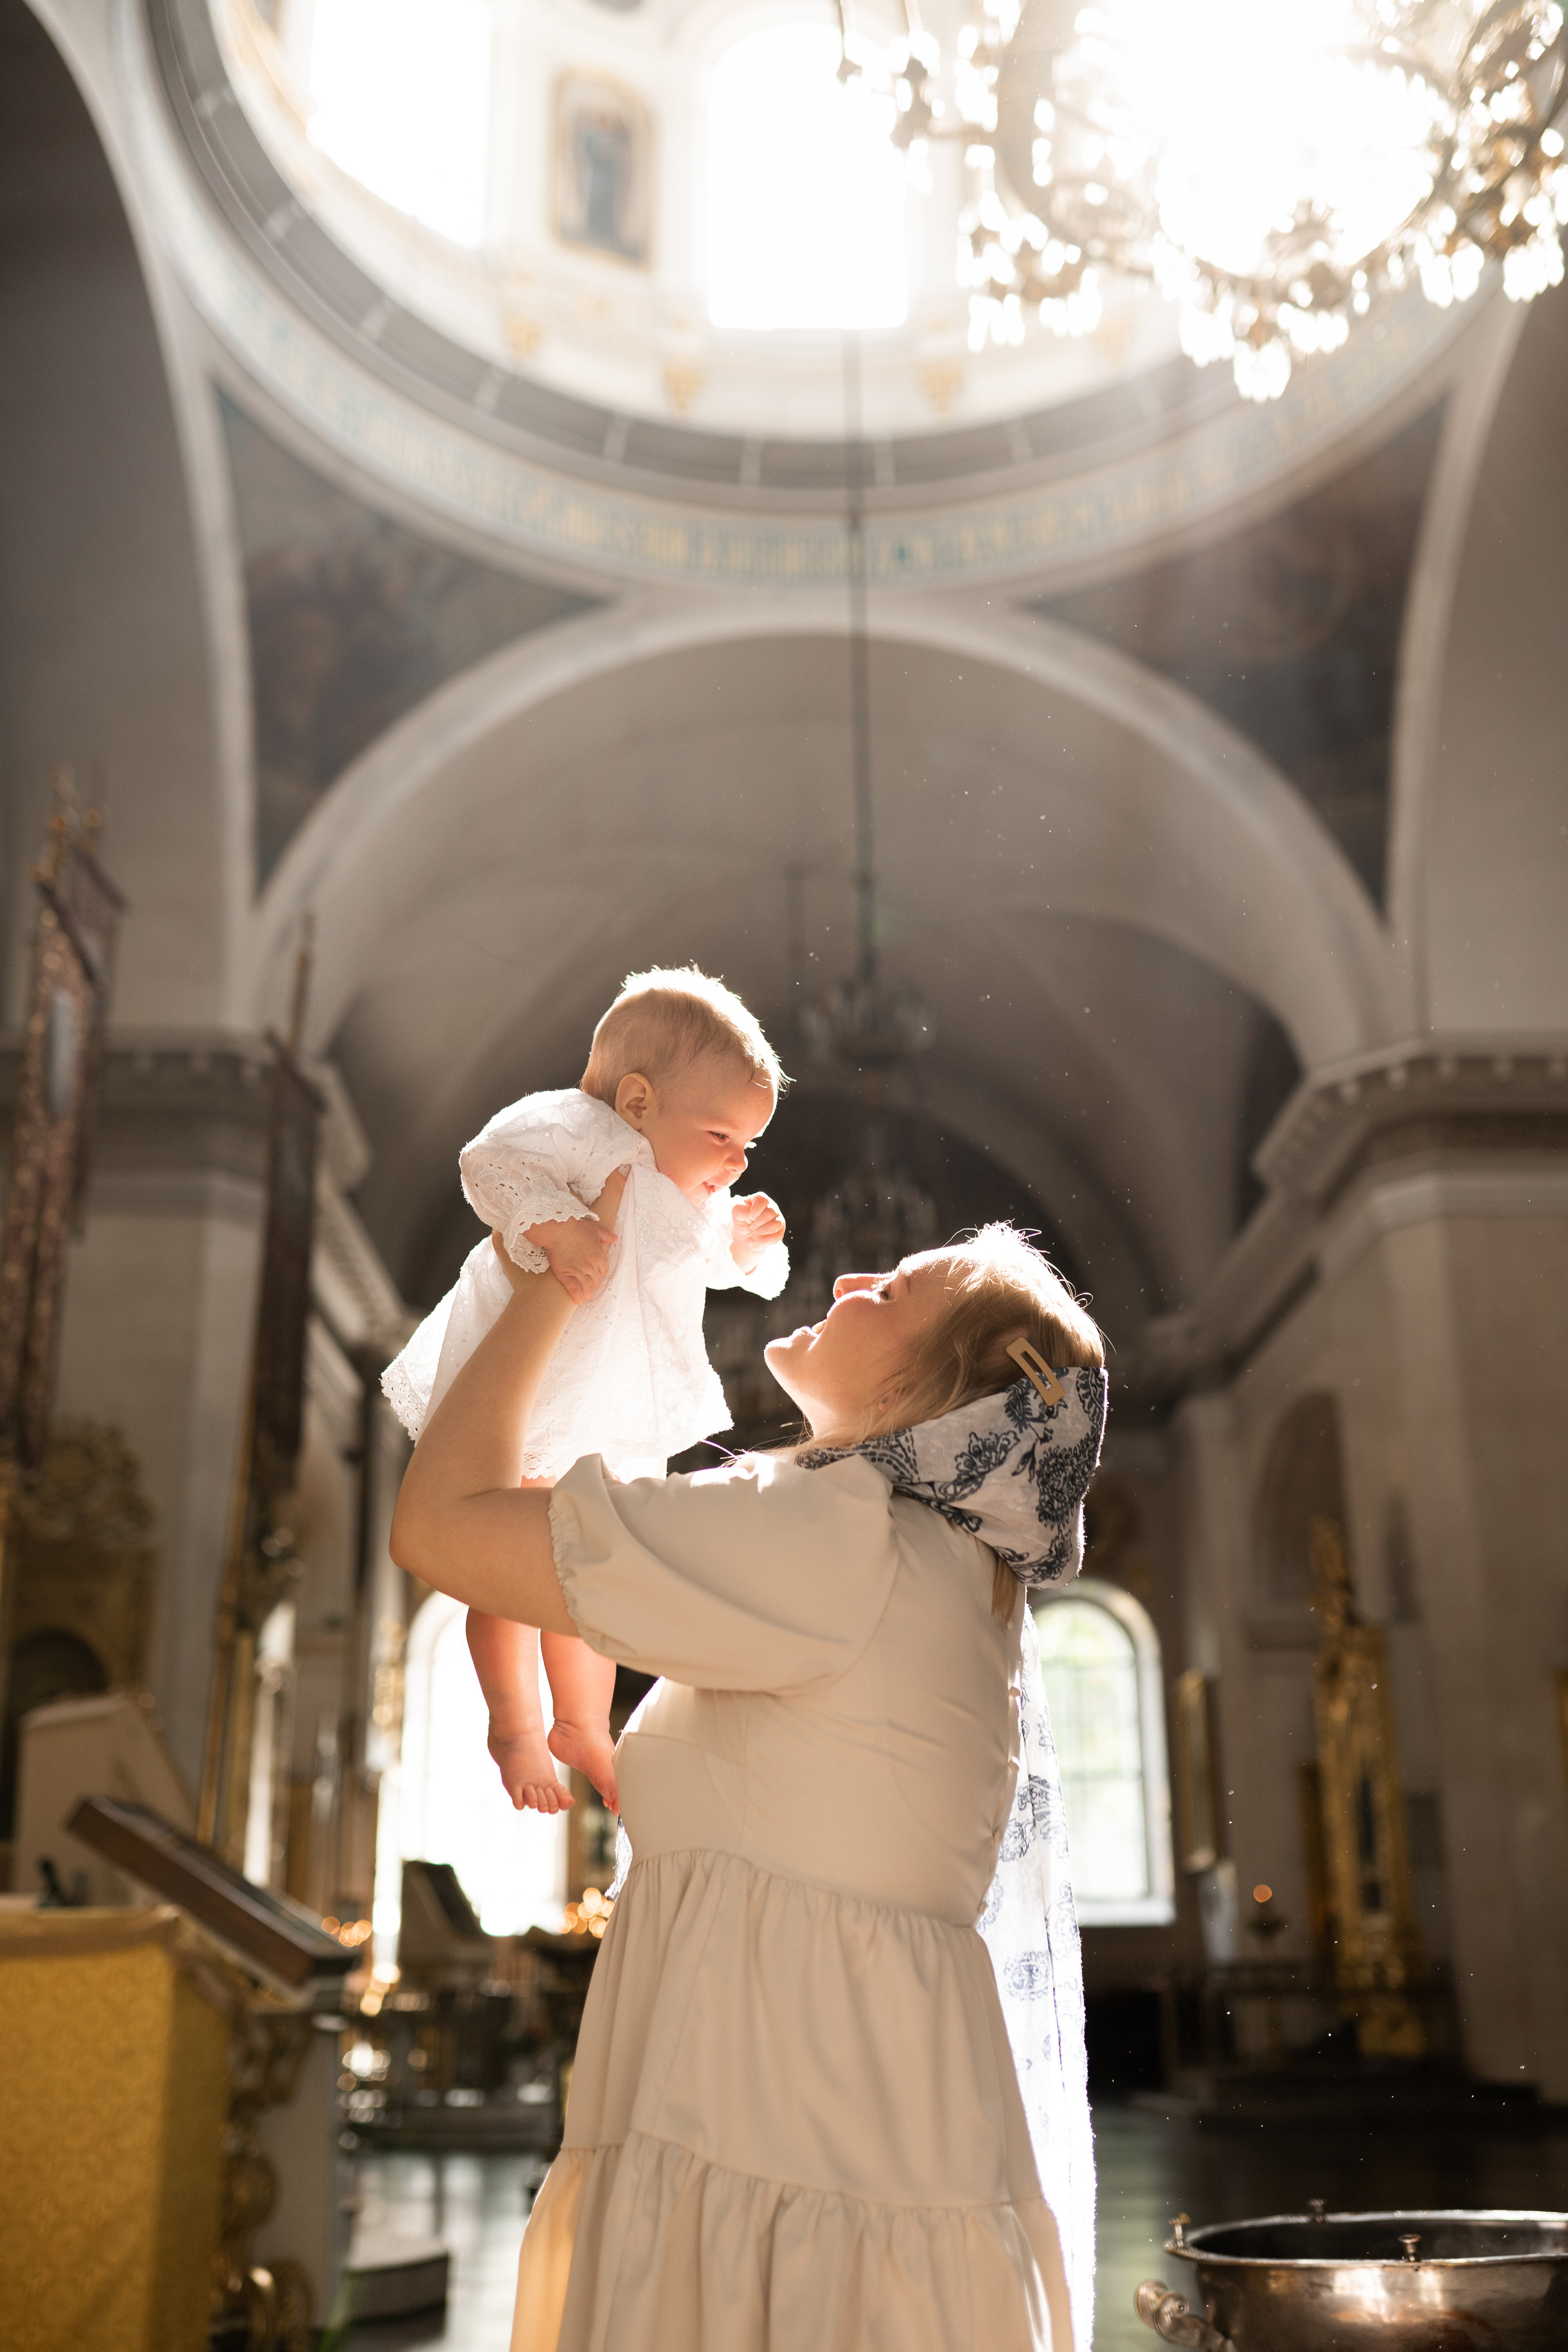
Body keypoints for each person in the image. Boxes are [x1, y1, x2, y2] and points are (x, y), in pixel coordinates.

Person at [391, 1201, 1107, 2352]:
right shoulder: (923, 1554)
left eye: (896, 1291)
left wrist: (547, 1284)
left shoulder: (834, 1528)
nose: (850, 1275)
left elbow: (441, 1525)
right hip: (832, 2088)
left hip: (773, 2098)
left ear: (935, 1387)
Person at [382, 970, 788, 1814]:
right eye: (720, 1132)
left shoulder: (681, 1197)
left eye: (749, 1144)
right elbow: (489, 1163)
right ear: (636, 1101)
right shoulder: (578, 1129)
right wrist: (554, 1224)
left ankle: (583, 1723)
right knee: (503, 1559)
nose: (737, 1160)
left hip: (613, 1403)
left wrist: (744, 1249)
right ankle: (516, 1724)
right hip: (535, 1391)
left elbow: (705, 1262)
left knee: (583, 1574)